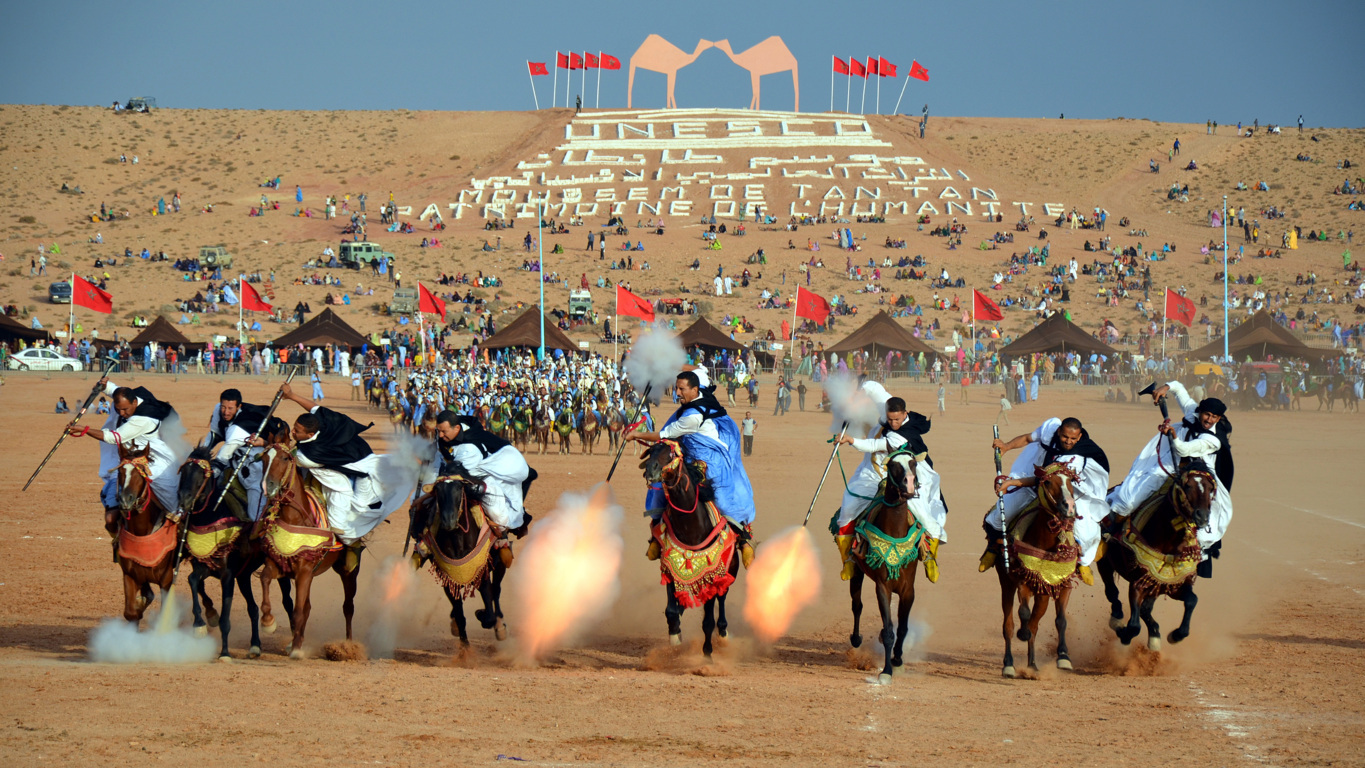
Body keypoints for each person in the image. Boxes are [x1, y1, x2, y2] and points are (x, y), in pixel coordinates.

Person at [248, 383, 397, 551]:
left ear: (310, 435)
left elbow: (286, 457)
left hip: (343, 469)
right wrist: (292, 395)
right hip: (338, 457)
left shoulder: (310, 455)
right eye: (294, 428)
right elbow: (316, 408)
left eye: (297, 431)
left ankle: (345, 540)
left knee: (340, 502)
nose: (293, 433)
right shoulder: (322, 423)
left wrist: (265, 443)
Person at [632, 368, 756, 567]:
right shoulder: (683, 412)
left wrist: (636, 435)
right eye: (677, 389)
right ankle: (656, 536)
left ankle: (744, 540)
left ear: (697, 390)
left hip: (716, 466)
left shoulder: (702, 415)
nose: (678, 393)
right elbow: (667, 438)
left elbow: (665, 434)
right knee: (662, 489)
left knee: (726, 502)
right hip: (687, 462)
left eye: (681, 389)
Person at [1106, 383, 1233, 577]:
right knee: (1128, 500)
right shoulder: (1192, 411)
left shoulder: (1213, 440)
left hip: (1200, 472)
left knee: (1210, 520)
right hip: (1170, 465)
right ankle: (1111, 529)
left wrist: (1173, 436)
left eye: (1214, 417)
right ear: (1200, 412)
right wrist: (1165, 388)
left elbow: (1184, 450)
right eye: (1207, 415)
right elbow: (1180, 389)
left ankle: (1200, 554)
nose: (1209, 420)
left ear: (1219, 418)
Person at [831, 385, 947, 582]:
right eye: (890, 419)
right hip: (873, 473)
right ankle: (848, 559)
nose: (893, 423)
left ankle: (929, 557)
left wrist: (851, 440)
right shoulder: (889, 413)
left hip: (903, 476)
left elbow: (875, 445)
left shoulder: (899, 435)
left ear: (905, 414)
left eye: (896, 419)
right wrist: (860, 389)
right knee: (848, 504)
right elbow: (877, 392)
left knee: (923, 514)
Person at [980, 417, 1110, 585]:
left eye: (1073, 439)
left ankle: (1082, 564)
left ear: (1079, 437)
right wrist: (1006, 446)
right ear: (1058, 431)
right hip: (1037, 481)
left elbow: (1043, 480)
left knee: (1085, 531)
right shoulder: (1050, 429)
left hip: (1068, 489)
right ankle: (992, 548)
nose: (1068, 441)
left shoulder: (1077, 458)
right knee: (999, 515)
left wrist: (1012, 482)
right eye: (1065, 437)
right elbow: (1028, 438)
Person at [66, 378, 187, 537]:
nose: (122, 414)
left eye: (125, 410)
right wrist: (106, 386)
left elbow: (114, 437)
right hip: (134, 454)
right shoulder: (135, 396)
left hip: (157, 461)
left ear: (135, 403)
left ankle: (181, 526)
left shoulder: (142, 420)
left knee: (171, 500)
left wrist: (85, 430)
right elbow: (116, 391)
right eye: (119, 409)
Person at [431, 410, 535, 559]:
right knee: (427, 499)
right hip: (451, 473)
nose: (440, 435)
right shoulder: (446, 434)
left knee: (493, 502)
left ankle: (502, 536)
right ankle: (422, 542)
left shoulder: (470, 447)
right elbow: (440, 453)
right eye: (438, 431)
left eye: (443, 432)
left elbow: (464, 470)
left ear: (457, 429)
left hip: (484, 471)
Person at [204, 388, 271, 520]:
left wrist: (210, 473)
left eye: (230, 408)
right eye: (224, 407)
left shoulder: (238, 429)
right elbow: (214, 435)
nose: (225, 412)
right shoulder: (218, 409)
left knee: (254, 515)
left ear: (239, 407)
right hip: (234, 461)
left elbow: (223, 455)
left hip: (253, 469)